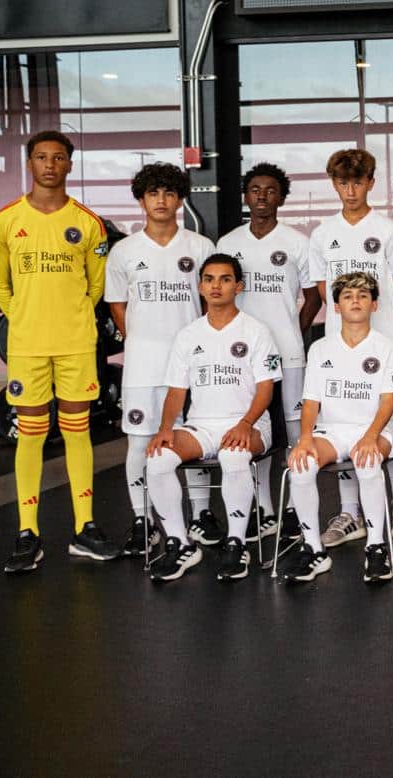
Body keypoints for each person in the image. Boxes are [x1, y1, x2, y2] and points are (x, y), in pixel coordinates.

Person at [0, 130, 119, 572]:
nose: (50, 164)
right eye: (41, 157)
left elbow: (96, 285)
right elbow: (0, 285)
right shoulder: (6, 220)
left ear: (69, 165)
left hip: (75, 343)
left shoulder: (88, 223)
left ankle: (84, 528)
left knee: (78, 430)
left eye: (58, 158)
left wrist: (71, 315)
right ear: (30, 163)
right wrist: (24, 317)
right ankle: (29, 533)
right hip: (27, 346)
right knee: (31, 434)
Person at [144, 254, 281, 581]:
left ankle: (236, 542)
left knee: (234, 455)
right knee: (158, 459)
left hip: (249, 423)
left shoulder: (257, 331)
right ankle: (179, 543)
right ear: (201, 286)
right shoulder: (188, 335)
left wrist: (246, 424)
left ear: (238, 286)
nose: (216, 286)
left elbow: (266, 389)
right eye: (208, 279)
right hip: (202, 426)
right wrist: (166, 429)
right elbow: (176, 391)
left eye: (224, 279)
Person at [308, 147, 393, 548]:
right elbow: (323, 291)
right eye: (342, 182)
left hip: (381, 346)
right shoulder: (322, 234)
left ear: (371, 182)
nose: (350, 190)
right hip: (340, 349)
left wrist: (378, 325)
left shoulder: (389, 230)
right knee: (344, 427)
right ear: (334, 184)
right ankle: (351, 514)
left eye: (358, 181)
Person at [106, 162, 215, 554]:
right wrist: (142, 341)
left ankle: (201, 515)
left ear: (180, 198)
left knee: (194, 439)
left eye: (169, 193)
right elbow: (118, 307)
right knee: (139, 444)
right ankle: (142, 519)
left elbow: (211, 302)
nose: (162, 201)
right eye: (153, 193)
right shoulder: (124, 251)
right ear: (141, 200)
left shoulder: (200, 247)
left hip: (192, 365)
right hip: (143, 366)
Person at [279, 272, 393, 584]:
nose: (356, 301)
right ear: (336, 307)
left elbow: (389, 401)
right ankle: (313, 550)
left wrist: (370, 436)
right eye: (348, 296)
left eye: (363, 296)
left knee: (367, 460)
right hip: (332, 431)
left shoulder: (387, 347)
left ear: (375, 305)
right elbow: (310, 403)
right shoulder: (321, 348)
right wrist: (305, 438)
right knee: (300, 465)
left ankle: (376, 547)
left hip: (376, 430)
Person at [216, 162, 320, 541]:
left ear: (281, 197)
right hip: (241, 357)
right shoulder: (227, 244)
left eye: (270, 190)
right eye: (255, 190)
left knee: (296, 433)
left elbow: (313, 297)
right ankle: (265, 509)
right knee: (252, 428)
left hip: (288, 352)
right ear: (246, 196)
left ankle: (295, 508)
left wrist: (294, 329)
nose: (262, 196)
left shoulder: (297, 243)